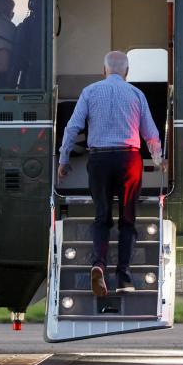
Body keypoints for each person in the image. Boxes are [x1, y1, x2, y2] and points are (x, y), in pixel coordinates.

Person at [57, 51, 162, 297]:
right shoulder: (136, 94)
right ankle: (124, 276)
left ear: (103, 70)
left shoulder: (90, 92)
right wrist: (158, 160)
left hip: (99, 158)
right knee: (128, 218)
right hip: (129, 159)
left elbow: (72, 127)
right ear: (126, 72)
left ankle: (98, 264)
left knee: (102, 216)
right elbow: (151, 133)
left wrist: (63, 159)